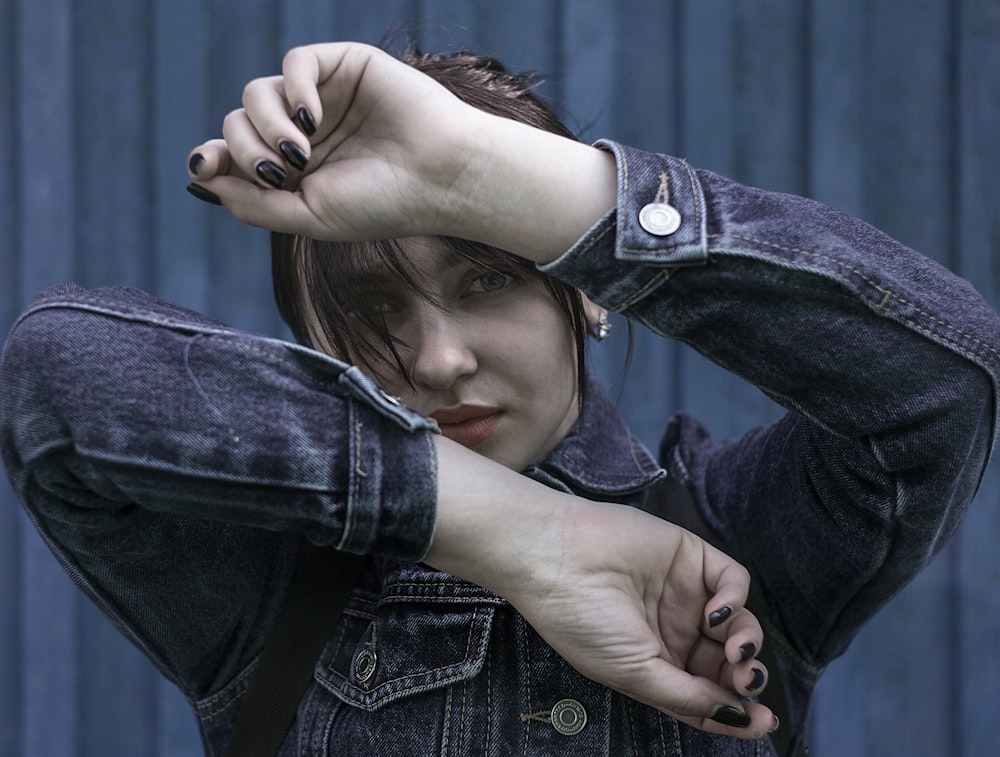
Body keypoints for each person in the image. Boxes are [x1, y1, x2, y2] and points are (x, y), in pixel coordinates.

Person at [2, 41, 997, 756]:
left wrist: (475, 173)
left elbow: (942, 381)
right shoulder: (270, 584)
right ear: (309, 339)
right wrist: (525, 538)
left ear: (590, 300)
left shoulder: (737, 547)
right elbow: (54, 371)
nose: (436, 359)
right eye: (369, 304)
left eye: (491, 279)